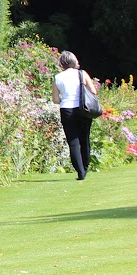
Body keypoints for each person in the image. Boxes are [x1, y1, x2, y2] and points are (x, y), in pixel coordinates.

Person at [52, 51, 99, 181]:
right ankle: (85, 166)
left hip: (66, 110)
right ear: (74, 61)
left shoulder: (58, 77)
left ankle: (80, 171)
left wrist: (65, 98)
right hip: (83, 109)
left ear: (61, 63)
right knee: (85, 140)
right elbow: (93, 91)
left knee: (73, 142)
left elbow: (55, 99)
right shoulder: (82, 74)